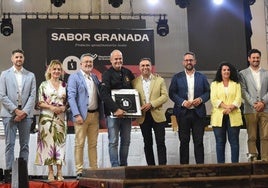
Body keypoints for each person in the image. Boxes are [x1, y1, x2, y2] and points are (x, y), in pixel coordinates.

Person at [169, 51, 210, 164]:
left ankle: (200, 168)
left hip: (198, 114)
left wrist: (201, 99)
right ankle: (184, 169)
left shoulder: (202, 77)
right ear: (183, 62)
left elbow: (208, 92)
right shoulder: (177, 77)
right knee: (184, 142)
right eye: (186, 60)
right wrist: (182, 102)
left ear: (195, 62)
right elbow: (172, 93)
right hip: (182, 114)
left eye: (191, 60)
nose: (189, 62)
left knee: (199, 142)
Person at [0, 49, 36, 170]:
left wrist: (23, 112)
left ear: (23, 59)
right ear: (12, 59)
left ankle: (22, 172)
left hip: (26, 115)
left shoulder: (30, 75)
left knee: (25, 145)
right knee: (10, 144)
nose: (19, 59)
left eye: (21, 57)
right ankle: (9, 172)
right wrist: (16, 110)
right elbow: (2, 95)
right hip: (9, 114)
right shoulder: (4, 74)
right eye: (16, 57)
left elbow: (32, 95)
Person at [68, 53, 101, 179]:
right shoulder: (74, 77)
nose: (88, 64)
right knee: (79, 144)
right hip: (81, 117)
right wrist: (76, 114)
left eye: (90, 62)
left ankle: (94, 170)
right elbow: (71, 97)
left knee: (93, 144)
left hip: (95, 115)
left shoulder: (94, 77)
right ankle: (79, 171)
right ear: (81, 64)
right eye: (86, 62)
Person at [99, 49, 135, 167]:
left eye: (120, 58)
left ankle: (124, 165)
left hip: (127, 114)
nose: (118, 61)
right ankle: (115, 167)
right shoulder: (106, 74)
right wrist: (115, 109)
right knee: (113, 141)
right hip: (112, 114)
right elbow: (104, 94)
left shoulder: (128, 73)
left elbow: (135, 92)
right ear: (111, 60)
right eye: (116, 59)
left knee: (126, 141)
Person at [34, 60, 67, 181]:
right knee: (48, 144)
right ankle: (50, 171)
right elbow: (39, 102)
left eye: (59, 69)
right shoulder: (44, 85)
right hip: (46, 118)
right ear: (50, 71)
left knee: (60, 143)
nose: (57, 71)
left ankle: (59, 171)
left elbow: (68, 102)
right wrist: (51, 107)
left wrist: (64, 107)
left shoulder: (65, 85)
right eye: (54, 69)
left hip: (60, 118)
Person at [132, 58, 168, 165]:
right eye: (142, 66)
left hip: (158, 115)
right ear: (139, 68)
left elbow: (165, 96)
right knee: (147, 143)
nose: (145, 67)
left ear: (151, 66)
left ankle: (162, 167)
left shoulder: (159, 80)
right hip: (143, 116)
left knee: (160, 142)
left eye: (147, 65)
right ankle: (150, 168)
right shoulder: (134, 82)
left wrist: (152, 104)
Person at [210, 62, 243, 163]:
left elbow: (238, 99)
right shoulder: (214, 84)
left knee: (234, 143)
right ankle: (221, 167)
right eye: (224, 70)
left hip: (234, 115)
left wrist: (231, 108)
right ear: (220, 72)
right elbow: (214, 99)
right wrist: (226, 107)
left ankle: (235, 166)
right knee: (220, 142)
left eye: (228, 70)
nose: (226, 71)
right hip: (218, 116)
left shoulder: (236, 84)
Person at [240, 49, 268, 161]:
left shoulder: (266, 73)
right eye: (253, 58)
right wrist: (254, 103)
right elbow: (243, 91)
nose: (256, 60)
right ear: (249, 59)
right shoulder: (242, 73)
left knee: (265, 136)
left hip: (265, 109)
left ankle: (265, 159)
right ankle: (253, 159)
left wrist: (263, 102)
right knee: (252, 137)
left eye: (257, 58)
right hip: (250, 110)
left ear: (260, 58)